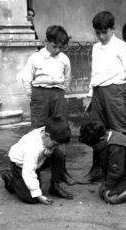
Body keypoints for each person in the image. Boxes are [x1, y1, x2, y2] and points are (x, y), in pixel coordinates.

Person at [84, 11, 126, 183]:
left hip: (116, 92)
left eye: (104, 32)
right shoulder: (95, 48)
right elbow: (94, 73)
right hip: (98, 92)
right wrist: (89, 95)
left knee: (120, 130)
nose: (101, 36)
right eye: (97, 32)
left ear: (112, 29)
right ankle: (98, 169)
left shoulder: (122, 46)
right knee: (96, 131)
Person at [21, 25, 76, 186]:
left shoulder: (64, 59)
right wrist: (34, 97)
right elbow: (26, 79)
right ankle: (34, 170)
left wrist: (60, 94)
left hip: (58, 95)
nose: (57, 49)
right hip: (40, 95)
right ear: (46, 41)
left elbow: (67, 78)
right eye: (54, 46)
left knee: (61, 130)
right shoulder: (35, 58)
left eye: (61, 47)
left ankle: (61, 171)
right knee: (39, 130)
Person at [1, 116, 74, 204]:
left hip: (38, 160)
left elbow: (40, 157)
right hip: (21, 166)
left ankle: (55, 187)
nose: (55, 147)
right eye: (55, 144)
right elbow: (28, 172)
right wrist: (39, 196)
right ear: (47, 135)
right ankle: (11, 180)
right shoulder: (32, 147)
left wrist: (44, 155)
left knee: (59, 155)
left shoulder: (47, 132)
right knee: (32, 198)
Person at [79, 122, 126, 204]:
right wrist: (105, 183)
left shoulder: (115, 146)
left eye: (94, 146)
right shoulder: (107, 138)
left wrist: (107, 186)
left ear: (101, 139)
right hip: (124, 170)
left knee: (111, 198)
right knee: (102, 191)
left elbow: (116, 172)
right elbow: (105, 165)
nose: (94, 149)